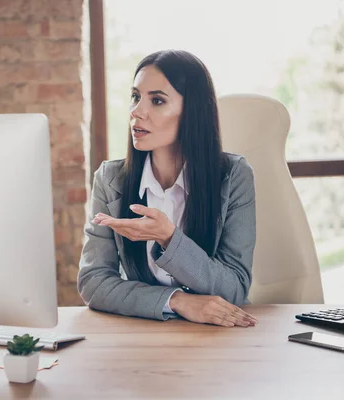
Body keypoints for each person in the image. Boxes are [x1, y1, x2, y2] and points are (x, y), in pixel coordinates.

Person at [78, 50, 258, 327]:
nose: (137, 112)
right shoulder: (110, 179)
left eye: (157, 100)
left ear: (192, 112)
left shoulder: (233, 176)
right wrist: (175, 300)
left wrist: (169, 239)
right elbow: (93, 282)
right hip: (144, 333)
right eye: (136, 97)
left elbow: (233, 289)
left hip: (218, 338)